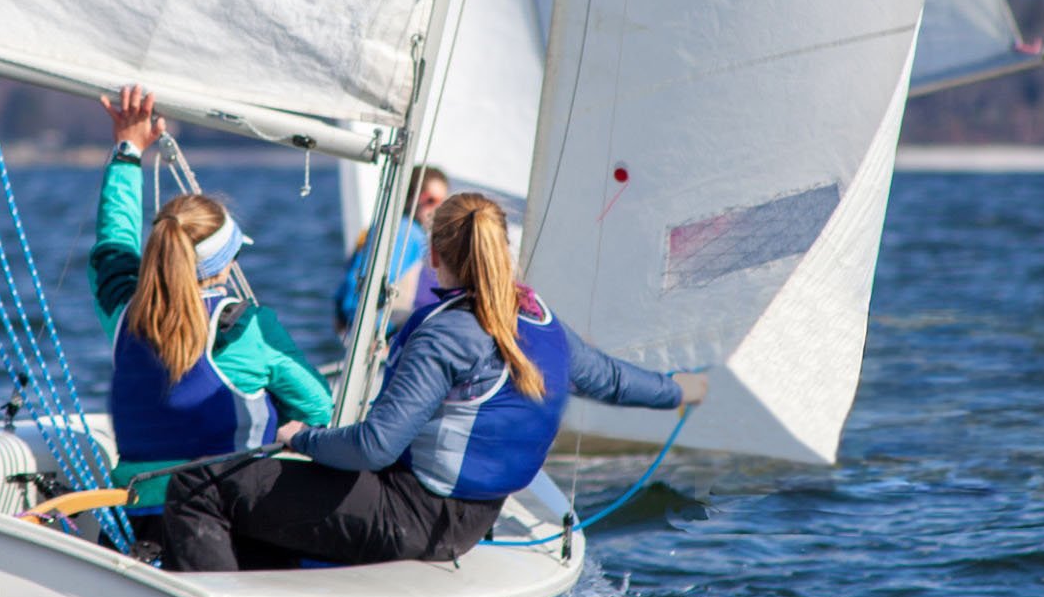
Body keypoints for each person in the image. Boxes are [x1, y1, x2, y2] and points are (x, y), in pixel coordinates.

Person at [163, 190, 709, 572]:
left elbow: (375, 448)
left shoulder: (447, 335)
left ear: (436, 256)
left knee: (199, 486)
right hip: (472, 520)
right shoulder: (542, 323)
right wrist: (681, 389)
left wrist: (298, 438)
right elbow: (612, 380)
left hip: (412, 517)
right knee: (264, 495)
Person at [90, 86, 333, 545]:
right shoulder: (247, 328)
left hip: (129, 524)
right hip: (222, 524)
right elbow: (320, 408)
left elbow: (113, 241)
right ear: (226, 264)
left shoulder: (123, 314)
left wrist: (128, 150)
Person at [332, 165, 450, 332]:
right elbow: (359, 289)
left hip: (360, 325)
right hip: (377, 329)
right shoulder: (407, 234)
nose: (437, 210)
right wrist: (375, 331)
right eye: (430, 201)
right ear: (412, 198)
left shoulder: (389, 225)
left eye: (444, 204)